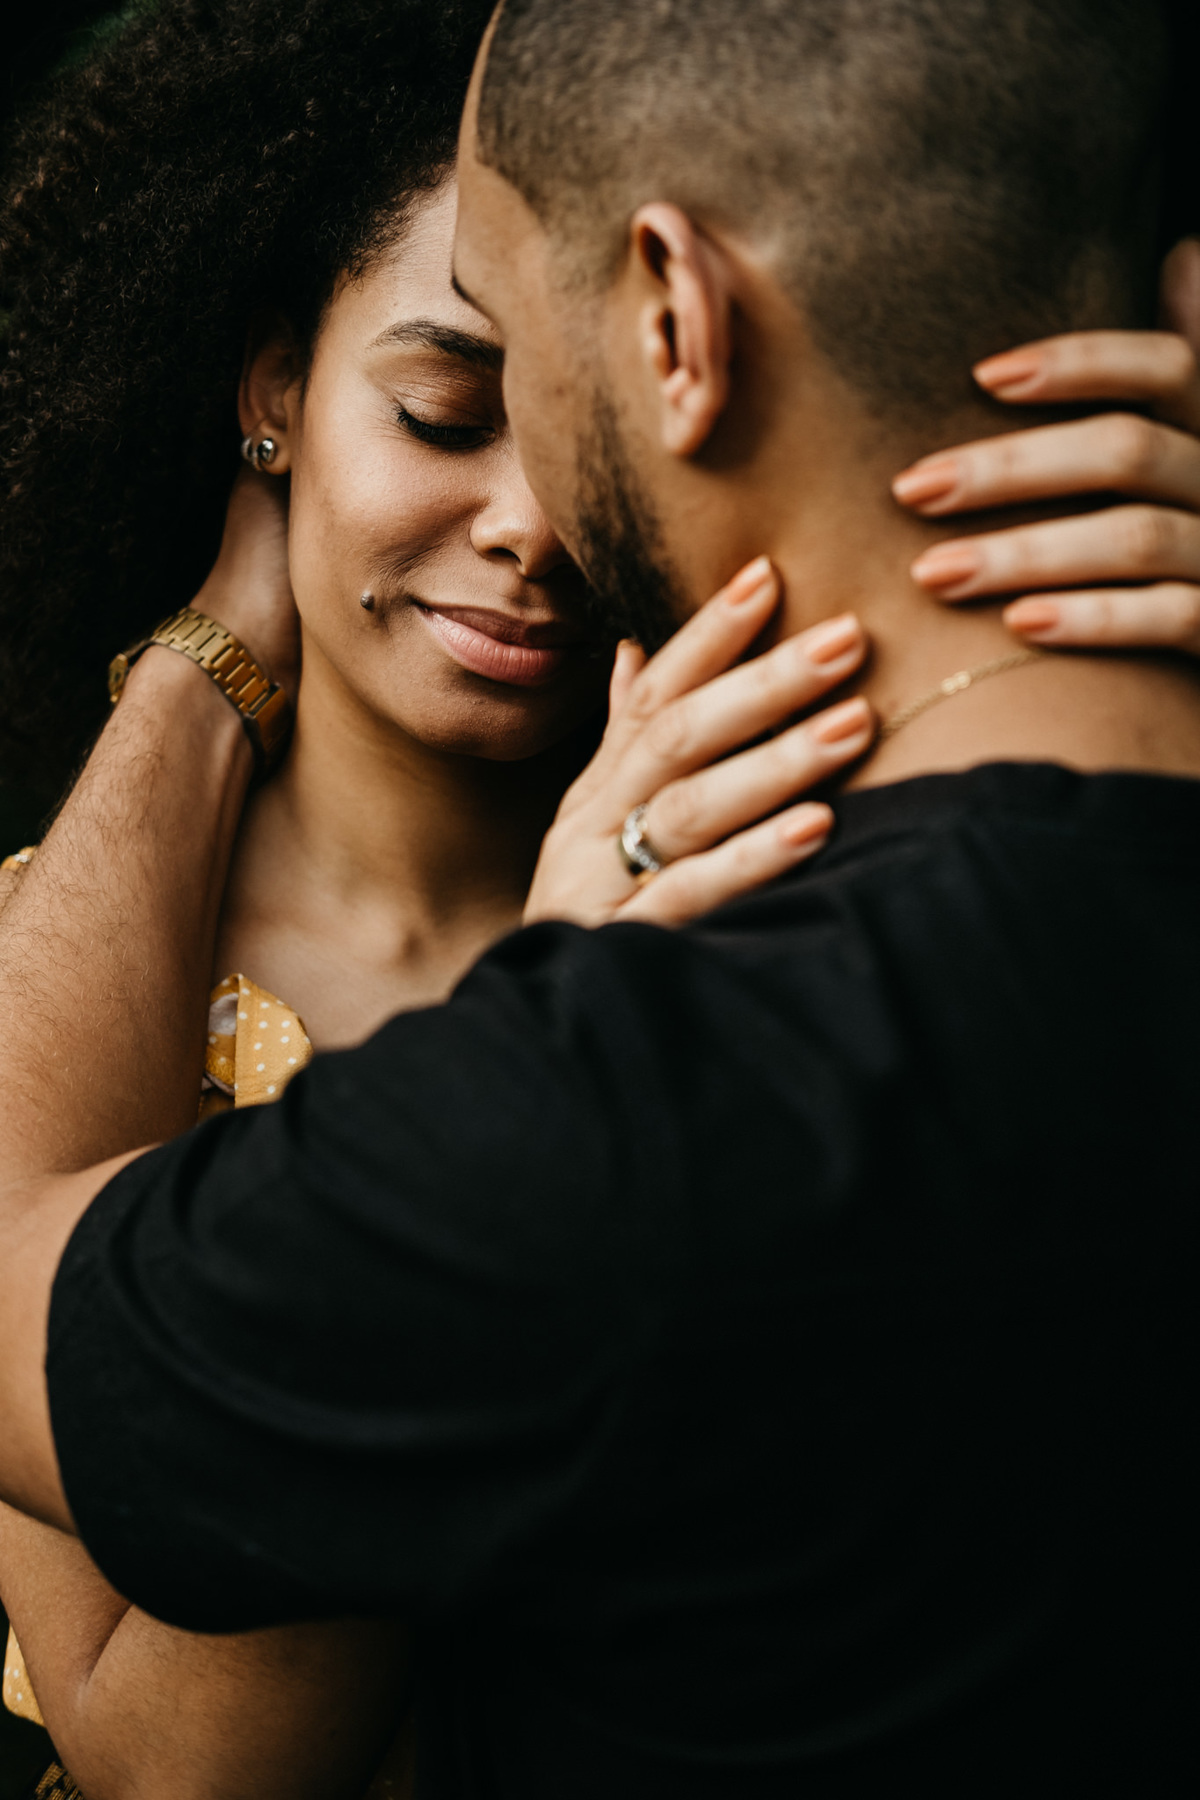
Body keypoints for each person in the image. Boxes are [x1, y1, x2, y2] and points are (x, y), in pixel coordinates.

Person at [2, 1, 1200, 1796]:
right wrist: (211, 660)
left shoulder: (729, 967)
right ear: (272, 400)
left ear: (675, 330)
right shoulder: (70, 950)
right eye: (434, 410)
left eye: (535, 388)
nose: (532, 520)